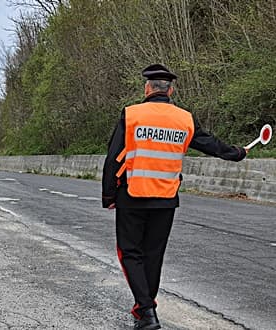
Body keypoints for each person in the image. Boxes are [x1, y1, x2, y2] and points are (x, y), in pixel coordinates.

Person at [101, 64, 247, 330]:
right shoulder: (184, 119)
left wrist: (109, 194)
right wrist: (236, 152)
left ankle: (146, 311)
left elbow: (113, 156)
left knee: (130, 252)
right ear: (171, 90)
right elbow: (209, 144)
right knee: (153, 254)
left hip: (132, 195)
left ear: (147, 88)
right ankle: (145, 307)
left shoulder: (132, 114)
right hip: (166, 198)